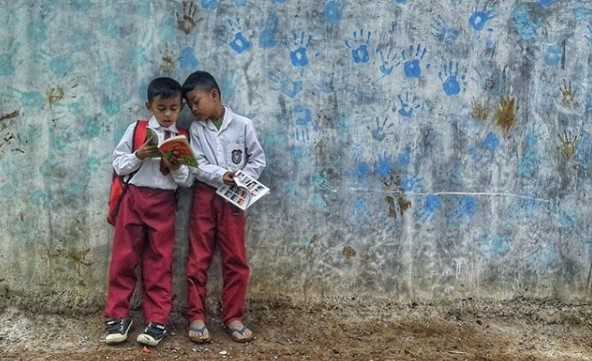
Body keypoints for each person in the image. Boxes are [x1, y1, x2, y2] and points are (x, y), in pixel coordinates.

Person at [104, 77, 192, 347]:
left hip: (164, 203)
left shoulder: (182, 138)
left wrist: (175, 164)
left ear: (181, 108)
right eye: (161, 108)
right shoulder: (136, 130)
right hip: (133, 199)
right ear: (149, 106)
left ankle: (157, 320)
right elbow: (118, 165)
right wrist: (139, 155)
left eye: (174, 108)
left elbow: (187, 180)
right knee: (123, 259)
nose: (167, 114)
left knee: (159, 262)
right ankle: (118, 315)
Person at [182, 71, 266, 343]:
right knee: (199, 256)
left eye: (196, 102)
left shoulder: (243, 125)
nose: (193, 109)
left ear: (214, 95)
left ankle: (233, 316)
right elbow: (197, 165)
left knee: (235, 258)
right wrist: (222, 175)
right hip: (205, 197)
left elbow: (257, 160)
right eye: (190, 105)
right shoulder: (196, 129)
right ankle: (196, 315)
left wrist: (242, 178)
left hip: (234, 198)